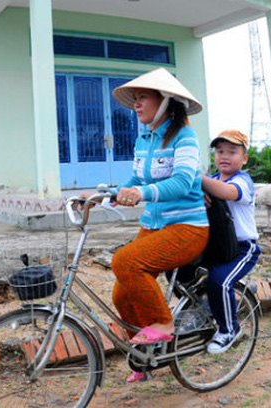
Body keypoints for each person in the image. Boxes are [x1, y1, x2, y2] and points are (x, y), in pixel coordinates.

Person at [83, 68, 209, 383]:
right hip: (154, 226)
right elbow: (137, 179)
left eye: (143, 98)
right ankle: (146, 359)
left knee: (124, 260)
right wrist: (104, 195)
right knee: (122, 295)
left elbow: (181, 182)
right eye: (135, 99)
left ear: (165, 100)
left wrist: (141, 193)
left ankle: (164, 325)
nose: (136, 104)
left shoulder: (185, 137)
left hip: (187, 228)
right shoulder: (144, 138)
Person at [201, 130, 261, 354]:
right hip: (214, 245)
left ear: (244, 158)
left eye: (232, 152)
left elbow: (227, 192)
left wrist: (197, 180)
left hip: (241, 248)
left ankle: (229, 329)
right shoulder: (212, 180)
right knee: (179, 270)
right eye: (220, 151)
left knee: (219, 280)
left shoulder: (243, 181)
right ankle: (200, 312)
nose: (224, 156)